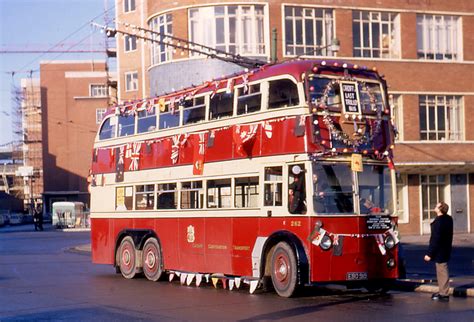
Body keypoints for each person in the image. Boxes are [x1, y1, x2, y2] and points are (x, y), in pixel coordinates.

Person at [424, 201, 453, 302]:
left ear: (441, 208)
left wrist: (429, 253)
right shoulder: (448, 219)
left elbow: (435, 238)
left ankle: (444, 294)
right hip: (446, 248)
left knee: (442, 271)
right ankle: (442, 291)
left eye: (437, 206)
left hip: (440, 249)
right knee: (441, 270)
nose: (435, 206)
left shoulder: (439, 221)